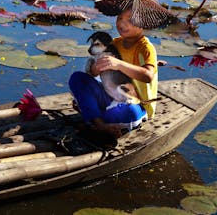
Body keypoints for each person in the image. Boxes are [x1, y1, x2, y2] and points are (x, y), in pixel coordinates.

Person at [68, 8, 158, 138]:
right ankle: (100, 124)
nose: (122, 24)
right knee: (77, 78)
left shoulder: (146, 48)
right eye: (120, 18)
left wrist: (119, 65)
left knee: (129, 112)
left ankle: (92, 116)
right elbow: (93, 73)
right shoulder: (114, 43)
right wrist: (96, 68)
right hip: (110, 95)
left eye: (130, 20)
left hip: (135, 103)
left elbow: (148, 76)